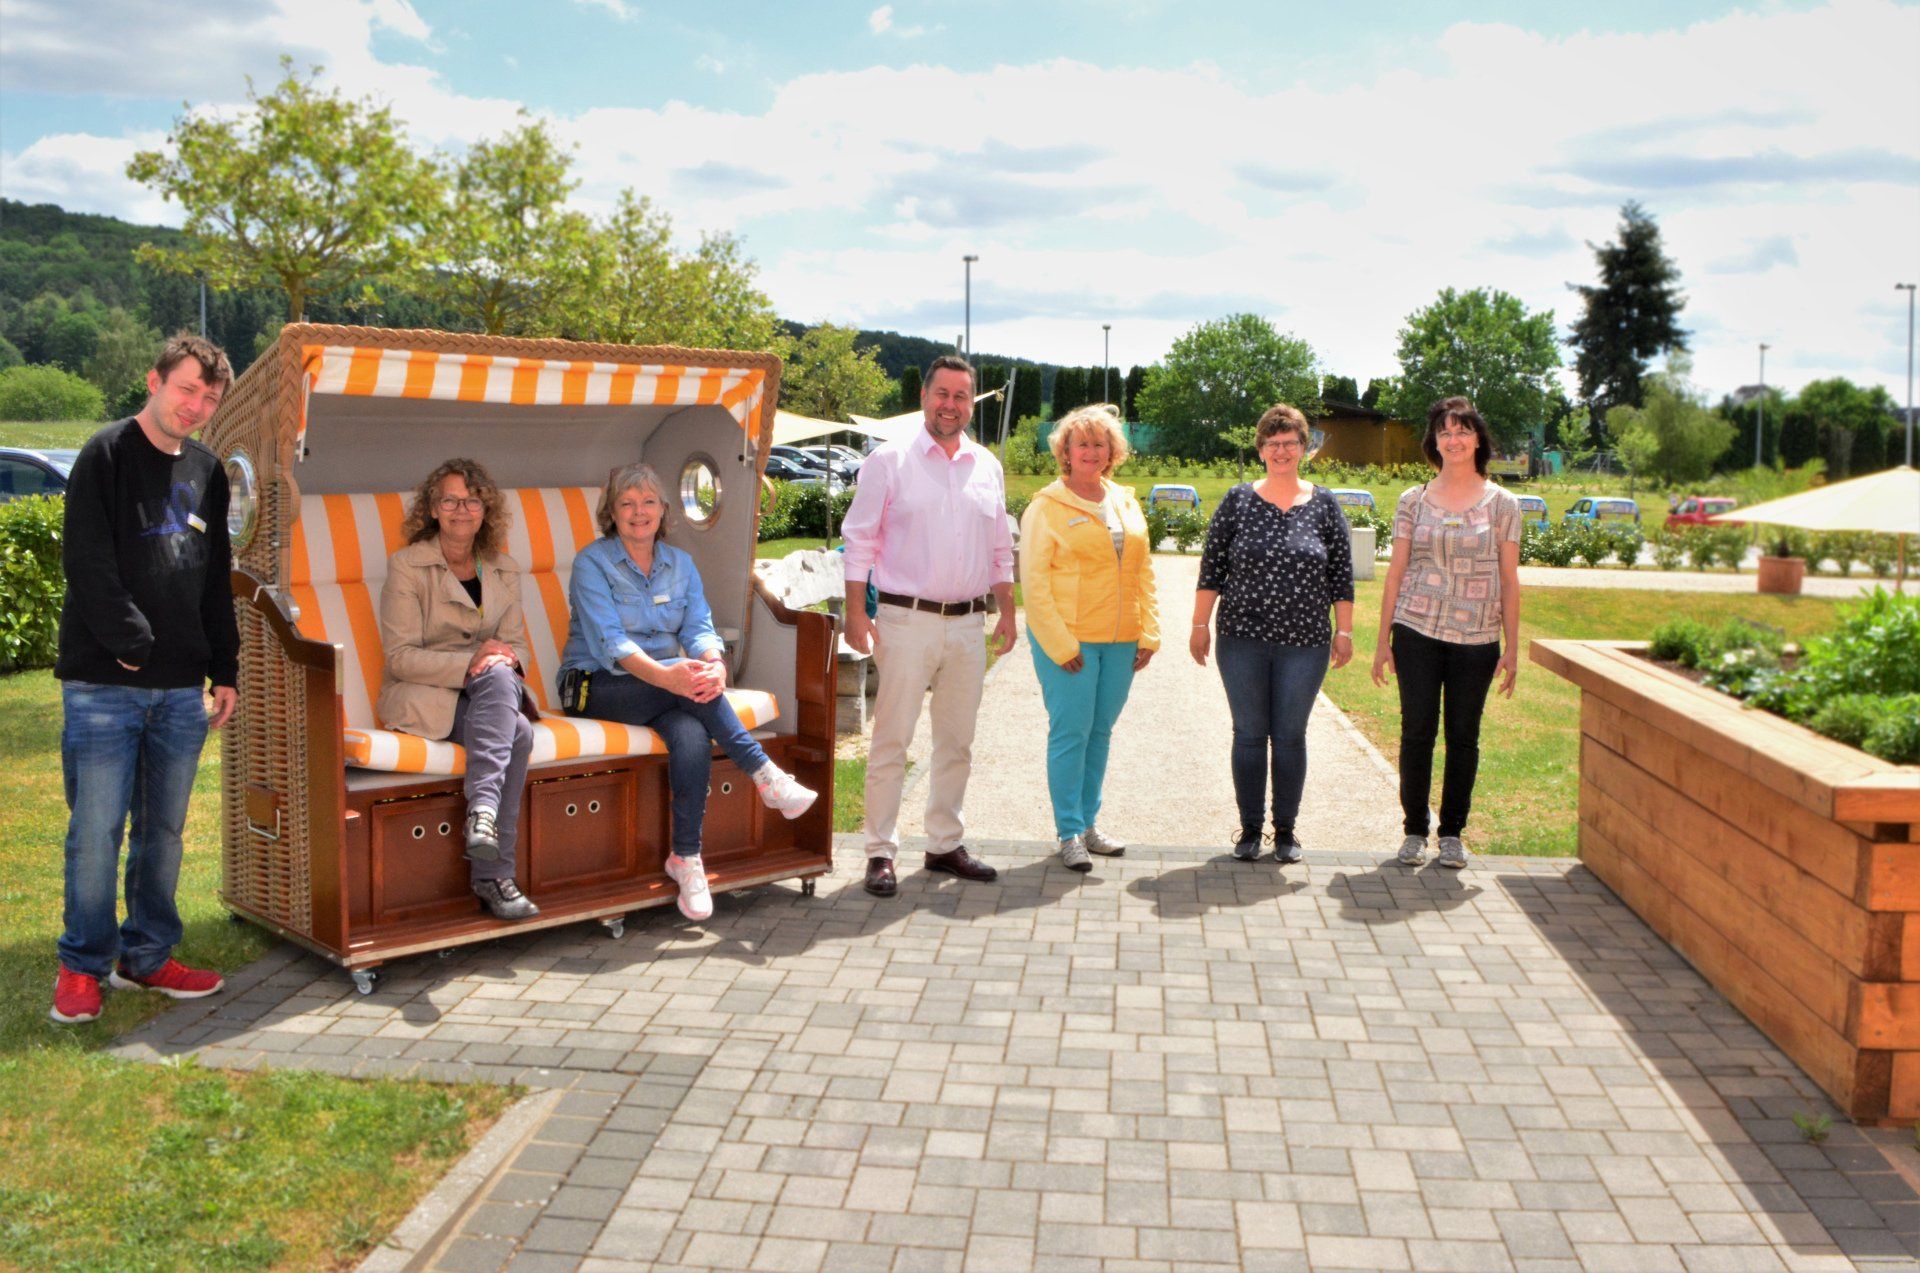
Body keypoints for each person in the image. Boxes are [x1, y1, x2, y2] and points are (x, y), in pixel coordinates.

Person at [51, 333, 238, 1024]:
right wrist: (133, 645)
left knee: (163, 830)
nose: (195, 407)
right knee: (96, 829)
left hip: (182, 691)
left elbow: (214, 579)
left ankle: (150, 953)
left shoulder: (208, 471)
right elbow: (87, 562)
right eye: (187, 389)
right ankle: (83, 965)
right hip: (104, 684)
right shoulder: (104, 454)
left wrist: (226, 667)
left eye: (208, 399)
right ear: (156, 380)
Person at [559, 463, 816, 921]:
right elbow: (610, 644)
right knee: (685, 685)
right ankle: (763, 773)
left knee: (690, 734)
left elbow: (699, 626)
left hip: (666, 689)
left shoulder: (680, 564)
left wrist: (714, 666)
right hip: (597, 685)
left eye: (648, 502)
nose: (639, 512)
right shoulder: (591, 562)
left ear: (663, 510)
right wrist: (674, 676)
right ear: (612, 513)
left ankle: (686, 859)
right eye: (627, 504)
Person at [842, 354, 1016, 898]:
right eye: (942, 393)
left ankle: (944, 843)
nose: (951, 405)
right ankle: (879, 851)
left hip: (967, 624)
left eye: (961, 396)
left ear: (971, 404)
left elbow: (999, 549)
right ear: (923, 397)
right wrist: (855, 612)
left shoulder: (987, 465)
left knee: (956, 742)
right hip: (904, 619)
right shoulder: (888, 462)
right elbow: (859, 540)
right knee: (893, 739)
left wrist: (1008, 611)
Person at [376, 458, 542, 922]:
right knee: (520, 733)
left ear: (486, 511)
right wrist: (474, 662)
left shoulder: (504, 569)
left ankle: (482, 821)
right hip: (424, 694)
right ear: (432, 508)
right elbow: (400, 657)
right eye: (449, 500)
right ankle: (493, 874)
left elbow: (517, 648)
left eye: (471, 501)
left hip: (488, 694)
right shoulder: (407, 566)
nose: (461, 510)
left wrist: (499, 660)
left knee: (503, 680)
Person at [1190, 403, 1354, 864]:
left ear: (1305, 448)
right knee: (1248, 733)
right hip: (1241, 637)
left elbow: (1342, 573)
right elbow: (1212, 567)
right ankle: (1249, 828)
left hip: (1305, 643)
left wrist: (1345, 631)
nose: (1281, 451)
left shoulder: (1324, 504)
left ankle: (1286, 830)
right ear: (1260, 449)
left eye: (1290, 443)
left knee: (1289, 735)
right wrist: (1199, 624)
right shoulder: (1237, 501)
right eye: (1272, 443)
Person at [1371, 396, 1522, 870]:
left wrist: (1513, 647)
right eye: (1444, 432)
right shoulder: (1412, 500)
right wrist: (1382, 641)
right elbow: (1394, 573)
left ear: (1478, 439)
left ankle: (1452, 832)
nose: (1453, 440)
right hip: (1416, 630)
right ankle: (1414, 829)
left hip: (1477, 638)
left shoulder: (1504, 504)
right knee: (1416, 731)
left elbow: (1510, 578)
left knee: (1463, 736)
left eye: (1462, 431)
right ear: (1434, 442)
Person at [1018, 403, 1159, 872]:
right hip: (1070, 644)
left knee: (1099, 734)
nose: (1092, 452)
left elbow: (1143, 570)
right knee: (1070, 734)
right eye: (1083, 443)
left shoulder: (1124, 500)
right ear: (1065, 451)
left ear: (1112, 451)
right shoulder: (1046, 507)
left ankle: (1089, 825)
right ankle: (1068, 831)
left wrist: (1149, 631)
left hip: (1121, 641)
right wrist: (1060, 644)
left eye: (1101, 444)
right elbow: (1034, 585)